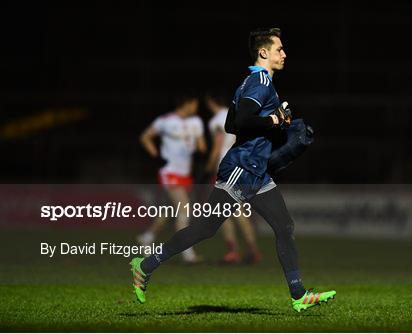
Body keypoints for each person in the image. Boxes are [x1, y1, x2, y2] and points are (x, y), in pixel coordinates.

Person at [130, 28, 336, 312]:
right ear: (263, 52)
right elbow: (243, 119)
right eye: (279, 49)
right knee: (204, 229)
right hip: (241, 168)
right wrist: (274, 120)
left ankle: (298, 294)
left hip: (258, 172)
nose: (284, 54)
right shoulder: (260, 82)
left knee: (284, 226)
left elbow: (231, 125)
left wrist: (277, 122)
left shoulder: (251, 82)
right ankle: (146, 265)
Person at [137, 95, 206, 264]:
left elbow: (201, 146)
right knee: (185, 210)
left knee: (168, 212)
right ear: (187, 103)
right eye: (195, 103)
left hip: (185, 174)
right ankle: (187, 253)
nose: (197, 107)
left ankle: (147, 237)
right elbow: (145, 137)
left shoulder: (195, 122)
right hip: (170, 172)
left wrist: (198, 147)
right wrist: (157, 157)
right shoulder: (165, 121)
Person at [206, 93, 263, 265]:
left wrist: (208, 167)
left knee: (227, 213)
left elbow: (217, 146)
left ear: (210, 101)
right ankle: (251, 251)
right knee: (236, 211)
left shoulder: (216, 120)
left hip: (225, 169)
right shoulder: (237, 115)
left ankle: (235, 252)